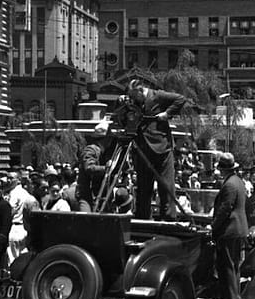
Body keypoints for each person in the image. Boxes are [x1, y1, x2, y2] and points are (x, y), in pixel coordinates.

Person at [126, 80, 186, 221]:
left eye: (135, 95)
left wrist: (167, 113)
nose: (134, 99)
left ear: (141, 90)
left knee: (166, 187)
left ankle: (169, 218)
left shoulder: (157, 96)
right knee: (143, 187)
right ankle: (143, 218)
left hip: (162, 149)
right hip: (143, 149)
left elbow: (180, 99)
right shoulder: (134, 102)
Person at [210, 152, 248, 299]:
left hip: (230, 230)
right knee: (233, 265)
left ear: (224, 170)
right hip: (238, 229)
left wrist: (213, 227)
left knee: (226, 265)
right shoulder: (238, 181)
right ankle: (235, 297)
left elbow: (225, 208)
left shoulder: (230, 185)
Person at [77, 120, 113, 212]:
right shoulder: (91, 150)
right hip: (86, 195)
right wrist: (106, 169)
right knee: (86, 220)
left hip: (96, 195)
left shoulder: (102, 152)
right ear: (106, 139)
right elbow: (89, 168)